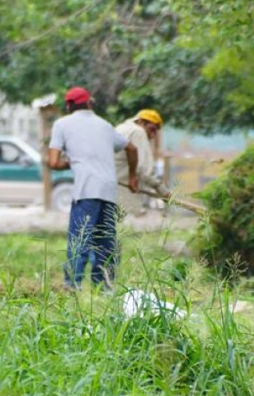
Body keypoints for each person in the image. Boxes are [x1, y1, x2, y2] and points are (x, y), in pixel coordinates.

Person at [47, 86, 138, 291]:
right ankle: (104, 287)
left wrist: (71, 162)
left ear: (69, 106)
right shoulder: (105, 125)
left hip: (86, 191)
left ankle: (72, 286)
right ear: (89, 103)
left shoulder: (62, 124)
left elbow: (53, 162)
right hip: (108, 191)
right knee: (105, 242)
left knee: (80, 240)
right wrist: (133, 177)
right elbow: (131, 148)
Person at [114, 109, 171, 216]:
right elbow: (145, 170)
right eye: (152, 129)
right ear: (140, 122)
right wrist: (163, 191)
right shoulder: (138, 132)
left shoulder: (121, 128)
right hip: (121, 192)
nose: (153, 135)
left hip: (108, 189)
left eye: (156, 131)